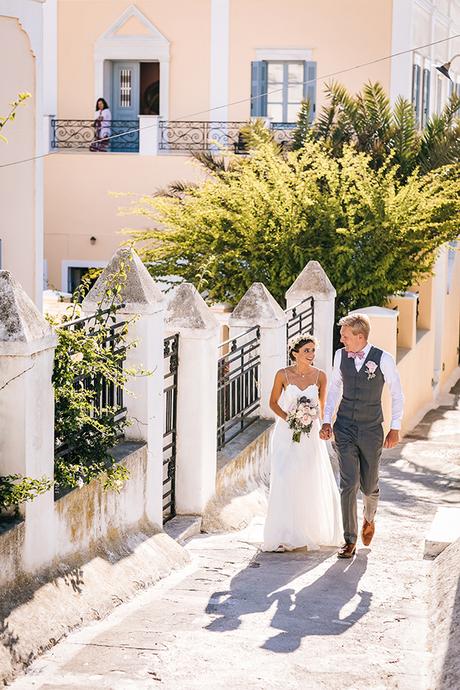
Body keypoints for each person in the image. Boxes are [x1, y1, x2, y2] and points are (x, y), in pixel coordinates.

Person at [320, 313, 404, 559]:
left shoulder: (383, 359)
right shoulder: (340, 356)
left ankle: (369, 518)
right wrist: (327, 420)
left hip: (370, 429)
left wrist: (395, 427)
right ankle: (349, 540)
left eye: (344, 336)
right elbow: (334, 388)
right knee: (348, 484)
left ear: (359, 337)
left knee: (369, 485)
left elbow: (397, 393)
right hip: (344, 427)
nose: (341, 339)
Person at [262, 334, 342, 552]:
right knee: (284, 476)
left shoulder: (320, 377)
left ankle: (306, 531)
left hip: (309, 434)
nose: (311, 354)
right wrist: (290, 418)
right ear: (295, 353)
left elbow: (325, 406)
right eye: (306, 350)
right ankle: (282, 533)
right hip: (285, 433)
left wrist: (325, 424)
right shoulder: (283, 375)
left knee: (306, 477)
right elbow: (272, 402)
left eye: (313, 350)